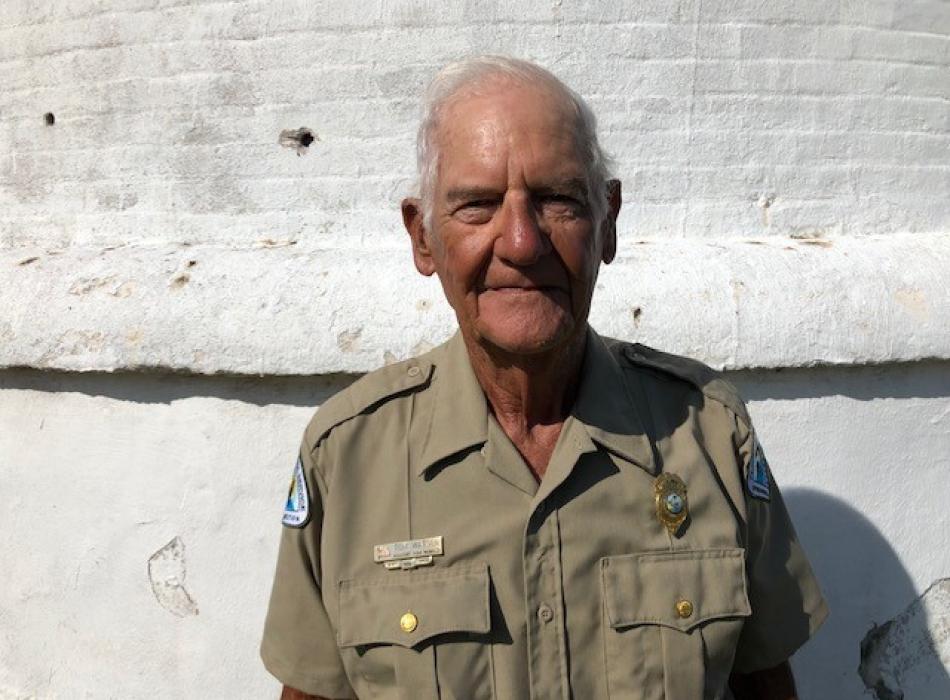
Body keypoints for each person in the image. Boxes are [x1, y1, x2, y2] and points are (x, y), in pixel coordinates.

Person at [261, 56, 827, 700]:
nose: (523, 242)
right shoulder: (349, 458)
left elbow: (766, 685)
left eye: (558, 200)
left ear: (607, 219)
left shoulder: (709, 435)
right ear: (423, 238)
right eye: (477, 206)